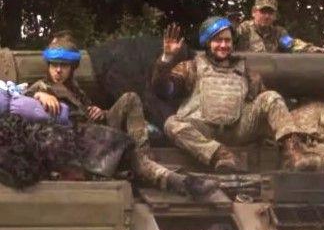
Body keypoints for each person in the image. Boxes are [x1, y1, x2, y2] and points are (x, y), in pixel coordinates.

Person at [26, 31, 216, 196]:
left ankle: (144, 156)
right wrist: (39, 94)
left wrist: (101, 112)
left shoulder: (75, 89)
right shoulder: (43, 87)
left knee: (130, 98)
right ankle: (171, 178)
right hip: (77, 145)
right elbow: (18, 102)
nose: (58, 70)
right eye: (54, 65)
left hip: (96, 134)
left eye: (64, 65)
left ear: (72, 68)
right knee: (136, 161)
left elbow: (88, 113)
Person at [152, 17, 308, 172]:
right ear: (208, 43)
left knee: (272, 97)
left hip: (239, 129)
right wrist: (167, 59)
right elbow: (165, 90)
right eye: (218, 40)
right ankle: (221, 155)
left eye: (227, 41)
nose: (223, 45)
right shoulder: (191, 67)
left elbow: (265, 103)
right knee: (172, 124)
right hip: (203, 129)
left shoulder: (246, 72)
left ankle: (293, 153)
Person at [235, 0, 324, 53]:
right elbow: (227, 42)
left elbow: (292, 45)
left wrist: (313, 50)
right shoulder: (244, 29)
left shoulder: (278, 33)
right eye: (263, 12)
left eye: (270, 13)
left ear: (275, 16)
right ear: (253, 12)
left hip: (271, 77)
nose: (267, 16)